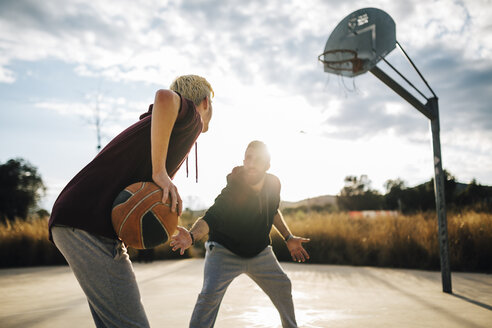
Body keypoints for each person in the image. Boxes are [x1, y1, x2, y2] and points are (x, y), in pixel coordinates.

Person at [48, 75, 214, 328]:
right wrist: (160, 172)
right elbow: (164, 96)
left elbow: (142, 194)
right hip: (86, 222)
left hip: (79, 217)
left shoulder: (162, 127)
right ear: (204, 102)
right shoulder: (191, 115)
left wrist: (164, 221)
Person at [170, 140, 310, 328]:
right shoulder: (234, 188)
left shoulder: (273, 184)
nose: (252, 164)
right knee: (208, 296)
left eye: (258, 160)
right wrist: (192, 236)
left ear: (267, 165)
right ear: (244, 160)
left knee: (283, 286)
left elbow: (273, 211)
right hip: (223, 250)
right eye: (249, 158)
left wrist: (288, 237)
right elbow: (212, 216)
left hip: (260, 251)